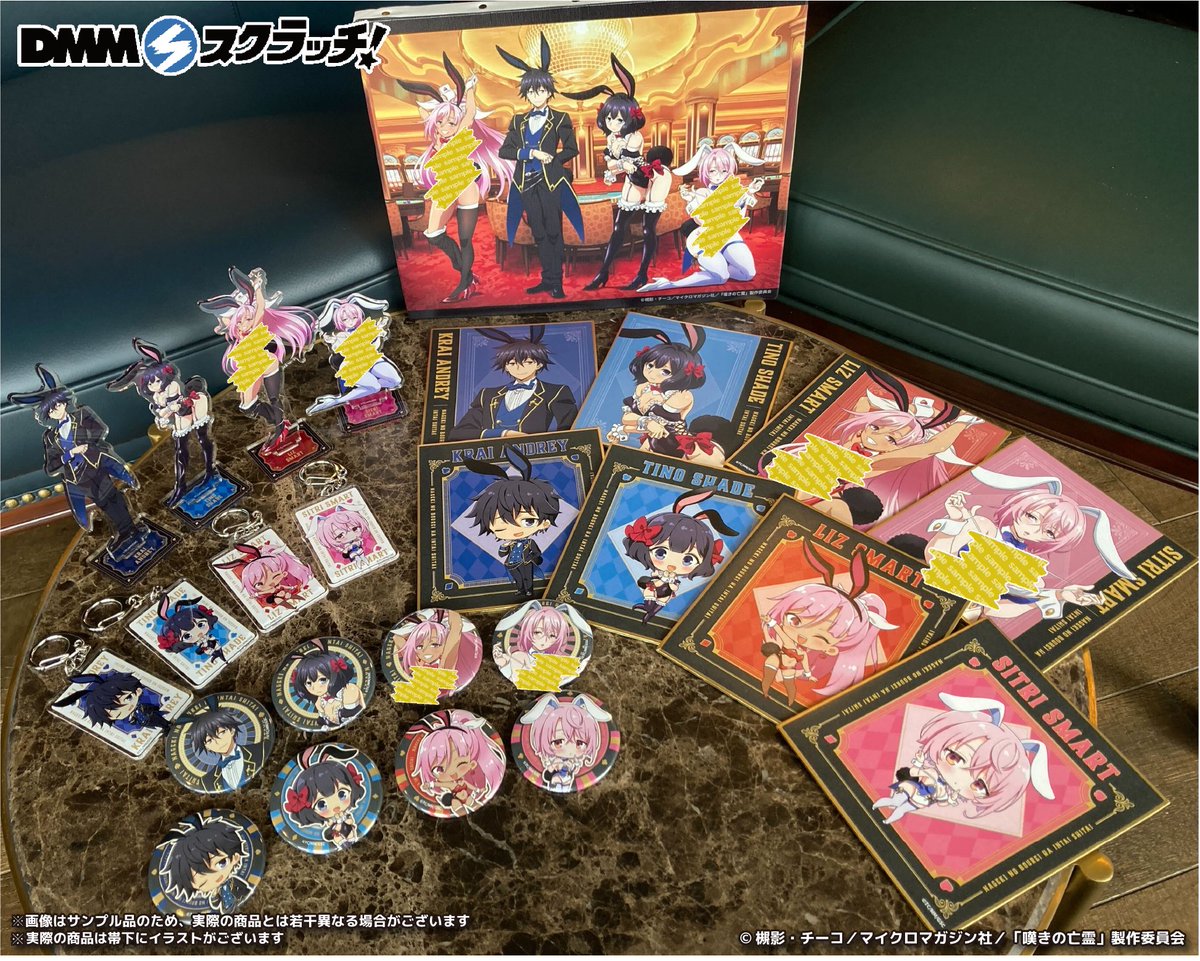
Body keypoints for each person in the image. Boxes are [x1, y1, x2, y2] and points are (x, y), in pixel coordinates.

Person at [398, 54, 513, 303]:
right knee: (433, 234)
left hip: (465, 187)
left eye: (450, 122)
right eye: (441, 122)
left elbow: (469, 112)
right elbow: (423, 111)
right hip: (445, 188)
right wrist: (415, 93)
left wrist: (470, 88)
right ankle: (467, 275)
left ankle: (463, 284)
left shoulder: (461, 132)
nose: (445, 127)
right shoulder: (436, 138)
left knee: (465, 239)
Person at [563, 54, 673, 290]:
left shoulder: (635, 137)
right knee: (618, 227)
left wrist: (617, 165)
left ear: (630, 119)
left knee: (648, 228)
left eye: (619, 119)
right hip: (633, 180)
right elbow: (614, 164)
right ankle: (603, 274)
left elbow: (620, 164)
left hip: (653, 179)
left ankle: (642, 275)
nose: (613, 123)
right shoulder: (612, 137)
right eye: (610, 118)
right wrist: (617, 165)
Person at [871, 693, 1054, 825]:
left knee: (905, 807)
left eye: (980, 785)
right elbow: (915, 771)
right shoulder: (932, 773)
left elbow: (945, 798)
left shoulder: (947, 793)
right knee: (899, 798)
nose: (959, 778)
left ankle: (889, 818)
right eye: (954, 757)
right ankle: (888, 805)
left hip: (924, 798)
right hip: (917, 787)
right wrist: (917, 768)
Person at [8, 365, 139, 548]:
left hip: (95, 463)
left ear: (64, 402)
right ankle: (126, 530)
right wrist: (70, 453)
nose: (56, 410)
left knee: (112, 496)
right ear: (48, 415)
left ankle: (129, 529)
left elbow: (99, 430)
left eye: (57, 405)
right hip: (77, 476)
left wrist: (84, 445)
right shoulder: (51, 437)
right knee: (103, 502)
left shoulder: (82, 415)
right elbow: (51, 466)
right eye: (51, 410)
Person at [496, 32, 583, 300]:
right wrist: (531, 152)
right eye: (532, 91)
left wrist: (552, 159)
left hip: (551, 183)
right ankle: (547, 279)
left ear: (549, 91)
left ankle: (557, 283)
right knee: (539, 233)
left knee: (554, 232)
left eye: (542, 90)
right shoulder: (518, 121)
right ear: (526, 93)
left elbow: (572, 149)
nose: (537, 95)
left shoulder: (560, 118)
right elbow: (504, 151)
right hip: (526, 184)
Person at [107, 339, 215, 506]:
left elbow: (173, 407)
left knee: (202, 438)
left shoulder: (173, 386)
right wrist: (163, 415)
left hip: (192, 407)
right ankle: (181, 485)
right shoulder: (156, 396)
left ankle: (209, 469)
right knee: (181, 449)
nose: (154, 385)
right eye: (150, 383)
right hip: (178, 415)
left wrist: (165, 414)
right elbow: (162, 411)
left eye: (157, 381)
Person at [623, 489, 738, 624]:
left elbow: (674, 587)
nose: (672, 564)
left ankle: (651, 613)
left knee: (663, 599)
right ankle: (647, 608)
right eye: (661, 553)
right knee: (649, 593)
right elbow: (653, 579)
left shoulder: (673, 579)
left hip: (666, 593)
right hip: (653, 587)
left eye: (688, 560)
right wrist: (656, 582)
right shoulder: (657, 572)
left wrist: (670, 586)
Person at [448, 326, 577, 439]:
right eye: (512, 363)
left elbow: (572, 432)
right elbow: (458, 434)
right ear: (506, 367)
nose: (519, 368)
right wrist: (503, 434)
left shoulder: (555, 392)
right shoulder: (486, 395)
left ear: (539, 364)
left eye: (528, 362)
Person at [465, 448, 561, 597]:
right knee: (517, 578)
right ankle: (520, 589)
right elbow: (502, 553)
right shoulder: (509, 544)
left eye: (528, 521)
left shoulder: (529, 542)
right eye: (501, 525)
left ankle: (529, 590)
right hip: (511, 564)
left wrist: (531, 558)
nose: (514, 529)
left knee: (527, 577)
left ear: (544, 523)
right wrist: (504, 547)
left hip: (526, 563)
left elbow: (537, 553)